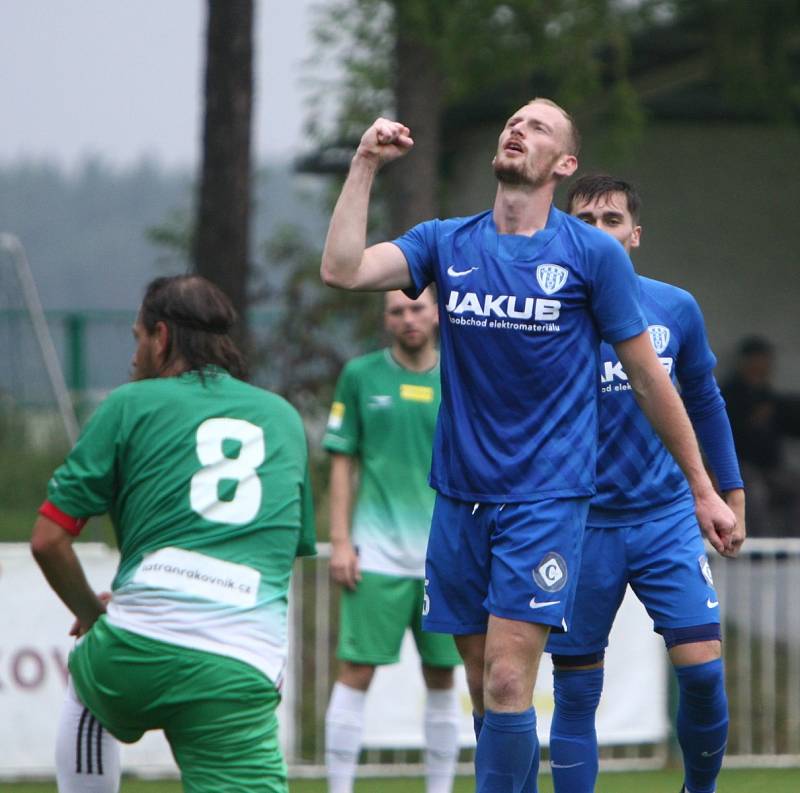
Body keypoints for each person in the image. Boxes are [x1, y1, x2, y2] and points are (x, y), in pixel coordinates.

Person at [320, 100, 736, 793]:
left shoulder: (591, 254)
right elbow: (342, 269)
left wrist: (701, 484)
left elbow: (648, 377)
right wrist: (364, 163)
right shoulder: (446, 242)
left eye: (539, 127)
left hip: (547, 498)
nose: (519, 129)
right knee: (489, 693)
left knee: (513, 679)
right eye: (514, 122)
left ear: (564, 164)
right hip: (457, 498)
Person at [31, 275, 316, 793]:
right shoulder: (284, 418)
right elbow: (278, 551)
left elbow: (48, 540)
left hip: (136, 651)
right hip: (240, 662)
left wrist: (100, 617)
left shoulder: (127, 405)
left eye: (137, 337)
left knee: (90, 686)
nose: (134, 355)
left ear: (161, 337)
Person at [545, 174, 746, 793]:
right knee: (576, 692)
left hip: (664, 521)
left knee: (704, 674)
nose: (598, 231)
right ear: (564, 232)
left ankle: (700, 789)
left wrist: (727, 492)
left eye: (611, 220)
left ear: (634, 234)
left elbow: (706, 402)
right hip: (580, 526)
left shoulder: (674, 306)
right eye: (583, 221)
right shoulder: (547, 315)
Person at [323, 288, 462, 793]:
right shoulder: (360, 376)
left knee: (444, 677)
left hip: (445, 559)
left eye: (417, 308)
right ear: (386, 319)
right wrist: (340, 541)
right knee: (355, 671)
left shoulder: (459, 374)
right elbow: (342, 461)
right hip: (375, 554)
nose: (408, 318)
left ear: (437, 313)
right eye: (397, 310)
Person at [722, 335, 800, 536]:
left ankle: (791, 550)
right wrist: (752, 419)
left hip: (770, 468)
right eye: (759, 358)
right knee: (755, 493)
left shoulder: (768, 394)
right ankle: (759, 553)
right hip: (740, 467)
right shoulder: (730, 393)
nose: (764, 364)